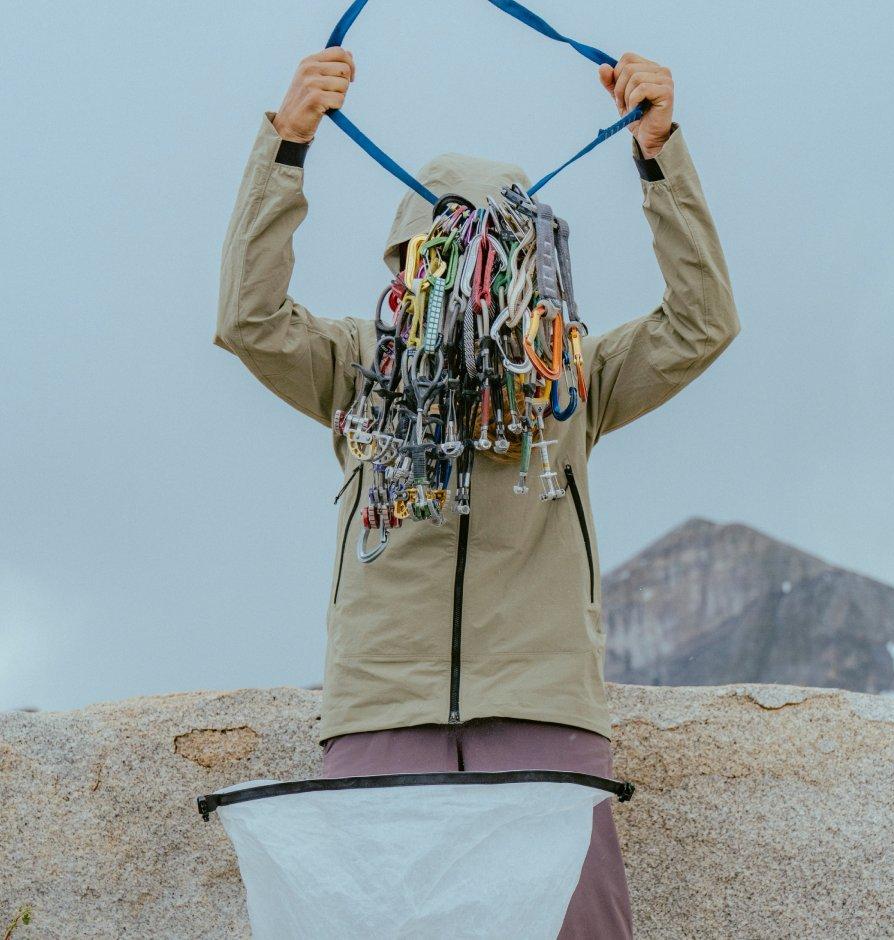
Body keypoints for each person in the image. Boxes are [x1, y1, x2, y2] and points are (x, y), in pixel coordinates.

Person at [215, 45, 739, 939]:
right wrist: (288, 142)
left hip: (543, 713)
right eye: (438, 253)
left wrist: (660, 153)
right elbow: (248, 320)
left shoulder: (571, 378)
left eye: (501, 254)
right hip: (383, 708)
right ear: (403, 264)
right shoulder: (354, 369)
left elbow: (701, 325)